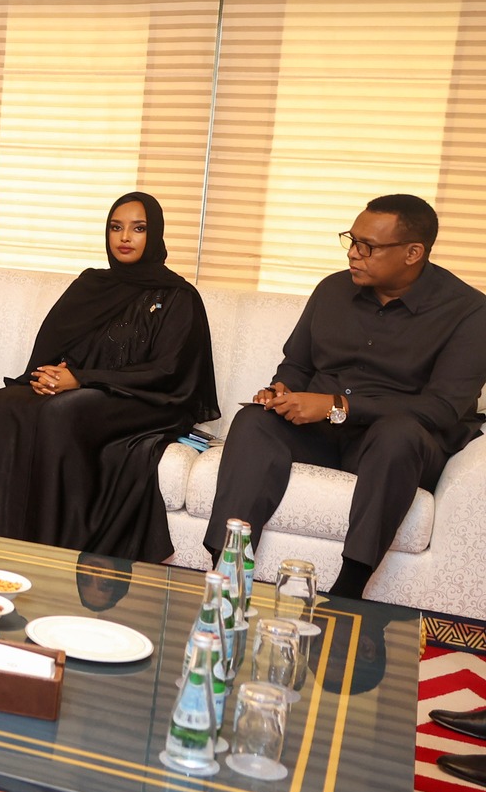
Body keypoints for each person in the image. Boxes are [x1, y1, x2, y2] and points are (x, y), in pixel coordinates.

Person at [206, 194, 486, 599]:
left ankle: (350, 590)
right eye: (352, 240)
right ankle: (227, 570)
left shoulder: (469, 312)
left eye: (367, 246)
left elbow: (442, 409)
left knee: (398, 436)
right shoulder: (332, 290)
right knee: (254, 421)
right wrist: (281, 390)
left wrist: (338, 406)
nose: (353, 253)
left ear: (413, 253)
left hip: (393, 446)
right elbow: (297, 365)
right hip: (321, 434)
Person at [0, 193, 218, 562]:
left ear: (155, 234)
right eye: (116, 227)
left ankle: (49, 551)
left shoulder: (178, 296)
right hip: (84, 389)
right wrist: (52, 375)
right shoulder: (92, 285)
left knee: (60, 413)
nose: (125, 237)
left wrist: (80, 379)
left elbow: (165, 371)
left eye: (138, 229)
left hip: (148, 400)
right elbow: (58, 345)